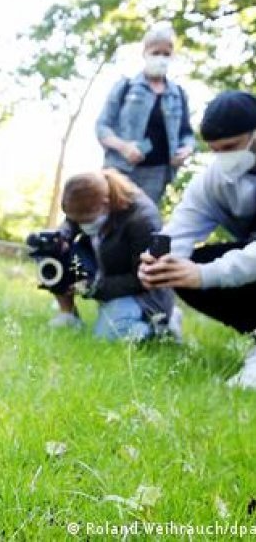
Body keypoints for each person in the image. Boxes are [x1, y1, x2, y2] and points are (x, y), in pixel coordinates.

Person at [139, 90, 256, 388]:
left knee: (203, 271)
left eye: (230, 147)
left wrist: (207, 274)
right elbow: (183, 225)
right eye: (215, 150)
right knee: (185, 269)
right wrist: (158, 261)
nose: (223, 158)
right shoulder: (214, 178)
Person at [47, 169, 175, 341]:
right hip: (104, 269)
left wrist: (94, 287)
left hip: (143, 294)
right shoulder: (88, 200)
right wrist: (60, 238)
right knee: (51, 253)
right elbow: (72, 221)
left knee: (106, 337)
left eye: (86, 220)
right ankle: (68, 315)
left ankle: (160, 327)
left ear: (105, 204)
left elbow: (144, 278)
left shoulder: (143, 219)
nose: (81, 225)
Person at [95, 22, 195, 204]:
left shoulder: (178, 94)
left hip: (157, 174)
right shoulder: (125, 86)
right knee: (108, 220)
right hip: (119, 171)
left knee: (142, 224)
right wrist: (124, 147)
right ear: (145, 53)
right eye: (156, 53)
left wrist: (186, 150)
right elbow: (102, 127)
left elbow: (187, 134)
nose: (161, 58)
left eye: (166, 53)